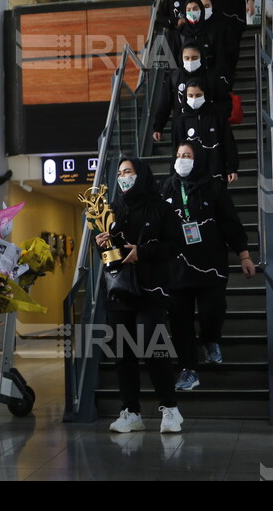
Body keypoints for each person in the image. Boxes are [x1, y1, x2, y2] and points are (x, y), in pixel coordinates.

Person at [95, 158, 183, 434]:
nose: (123, 177)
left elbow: (175, 245)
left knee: (153, 346)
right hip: (119, 289)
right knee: (122, 352)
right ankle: (130, 411)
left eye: (128, 172)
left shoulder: (161, 208)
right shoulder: (113, 210)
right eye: (120, 173)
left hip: (150, 288)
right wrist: (103, 244)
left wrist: (143, 251)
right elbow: (110, 256)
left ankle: (170, 408)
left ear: (141, 174)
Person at [161, 141, 255, 391]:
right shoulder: (168, 186)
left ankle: (211, 338)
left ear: (199, 159)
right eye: (179, 155)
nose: (182, 159)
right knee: (179, 322)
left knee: (212, 309)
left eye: (188, 155)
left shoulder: (214, 187)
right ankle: (188, 369)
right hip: (177, 267)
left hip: (210, 264)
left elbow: (230, 223)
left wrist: (244, 255)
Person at [152, 42, 230, 147]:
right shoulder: (175, 77)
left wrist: (219, 121)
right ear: (181, 58)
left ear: (201, 57)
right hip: (181, 127)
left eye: (194, 58)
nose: (190, 61)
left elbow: (223, 100)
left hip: (208, 126)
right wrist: (158, 126)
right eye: (187, 58)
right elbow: (165, 102)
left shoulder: (211, 77)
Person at [175, 79, 238, 184]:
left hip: (216, 171)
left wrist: (232, 167)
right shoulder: (182, 120)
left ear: (206, 95)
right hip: (191, 174)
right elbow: (177, 147)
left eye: (198, 95)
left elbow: (228, 142)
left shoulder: (217, 116)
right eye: (190, 96)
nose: (194, 99)